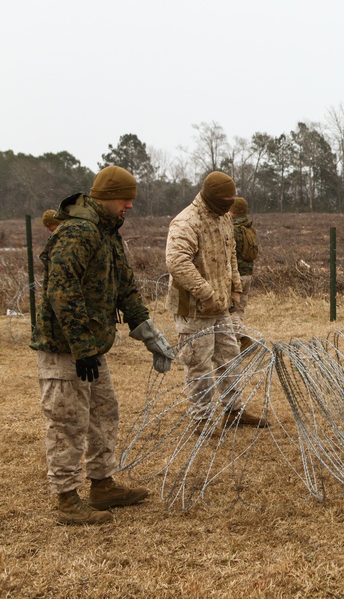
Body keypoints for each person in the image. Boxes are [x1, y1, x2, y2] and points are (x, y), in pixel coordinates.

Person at [30, 165, 174, 525]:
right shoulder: (78, 232)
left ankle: (102, 485)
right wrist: (81, 347)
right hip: (66, 348)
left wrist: (147, 331)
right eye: (126, 199)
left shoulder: (106, 232)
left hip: (91, 348)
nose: (129, 206)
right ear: (108, 198)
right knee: (67, 422)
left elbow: (124, 284)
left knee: (103, 413)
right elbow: (62, 291)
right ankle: (66, 498)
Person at [166, 172, 265, 428]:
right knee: (198, 363)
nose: (229, 204)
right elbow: (177, 262)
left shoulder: (223, 219)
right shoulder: (186, 221)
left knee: (229, 357)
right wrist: (206, 293)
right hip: (193, 308)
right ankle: (202, 419)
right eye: (225, 199)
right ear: (211, 197)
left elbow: (230, 253)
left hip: (221, 305)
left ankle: (233, 412)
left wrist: (235, 289)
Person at [229, 197, 258, 352]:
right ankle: (236, 344)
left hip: (236, 276)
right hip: (247, 275)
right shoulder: (249, 228)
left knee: (229, 311)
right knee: (239, 311)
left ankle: (245, 339)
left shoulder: (232, 230)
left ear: (232, 211)